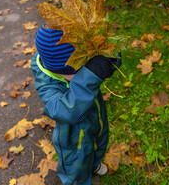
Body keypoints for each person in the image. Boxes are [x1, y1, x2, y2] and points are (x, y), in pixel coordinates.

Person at [31, 25, 121, 185]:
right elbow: (68, 111)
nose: (86, 73)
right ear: (60, 70)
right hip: (73, 140)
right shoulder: (48, 88)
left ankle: (94, 165)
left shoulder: (69, 69)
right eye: (81, 70)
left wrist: (108, 59)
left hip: (96, 119)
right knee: (76, 166)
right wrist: (90, 76)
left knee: (99, 143)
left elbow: (107, 60)